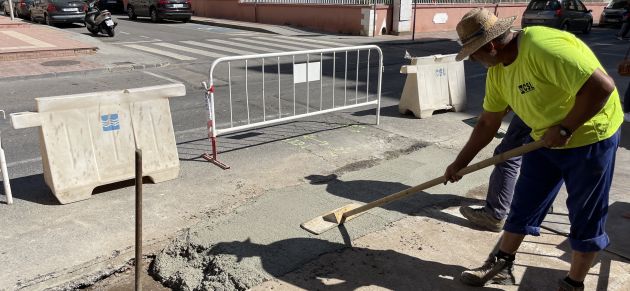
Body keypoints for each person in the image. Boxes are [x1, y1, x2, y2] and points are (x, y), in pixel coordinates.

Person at [445, 8, 623, 291]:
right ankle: (502, 264)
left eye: (473, 54)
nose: (473, 60)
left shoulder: (543, 48)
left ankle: (573, 283)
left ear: (490, 46)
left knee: (585, 213)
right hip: (544, 138)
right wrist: (459, 164)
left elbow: (602, 87)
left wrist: (566, 128)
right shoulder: (498, 72)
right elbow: (488, 123)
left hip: (591, 135)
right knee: (524, 202)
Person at [459, 113, 530, 232]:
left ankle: (494, 215)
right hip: (559, 108)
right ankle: (535, 205)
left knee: (507, 156)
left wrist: (459, 164)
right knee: (543, 152)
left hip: (537, 107)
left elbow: (487, 125)